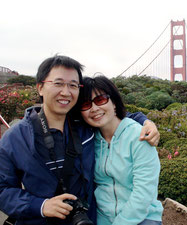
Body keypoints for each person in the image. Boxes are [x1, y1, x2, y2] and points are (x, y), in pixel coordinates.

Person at [0, 55, 160, 225]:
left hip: (86, 220)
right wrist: (41, 205)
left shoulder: (84, 127)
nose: (66, 92)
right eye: (58, 83)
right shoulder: (16, 138)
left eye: (73, 85)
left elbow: (111, 116)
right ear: (40, 87)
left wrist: (145, 121)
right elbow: (3, 190)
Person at [79, 75, 163, 225]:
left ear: (114, 103)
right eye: (86, 105)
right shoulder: (89, 140)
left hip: (143, 217)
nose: (94, 108)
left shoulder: (139, 136)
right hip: (102, 217)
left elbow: (143, 192)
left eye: (100, 100)